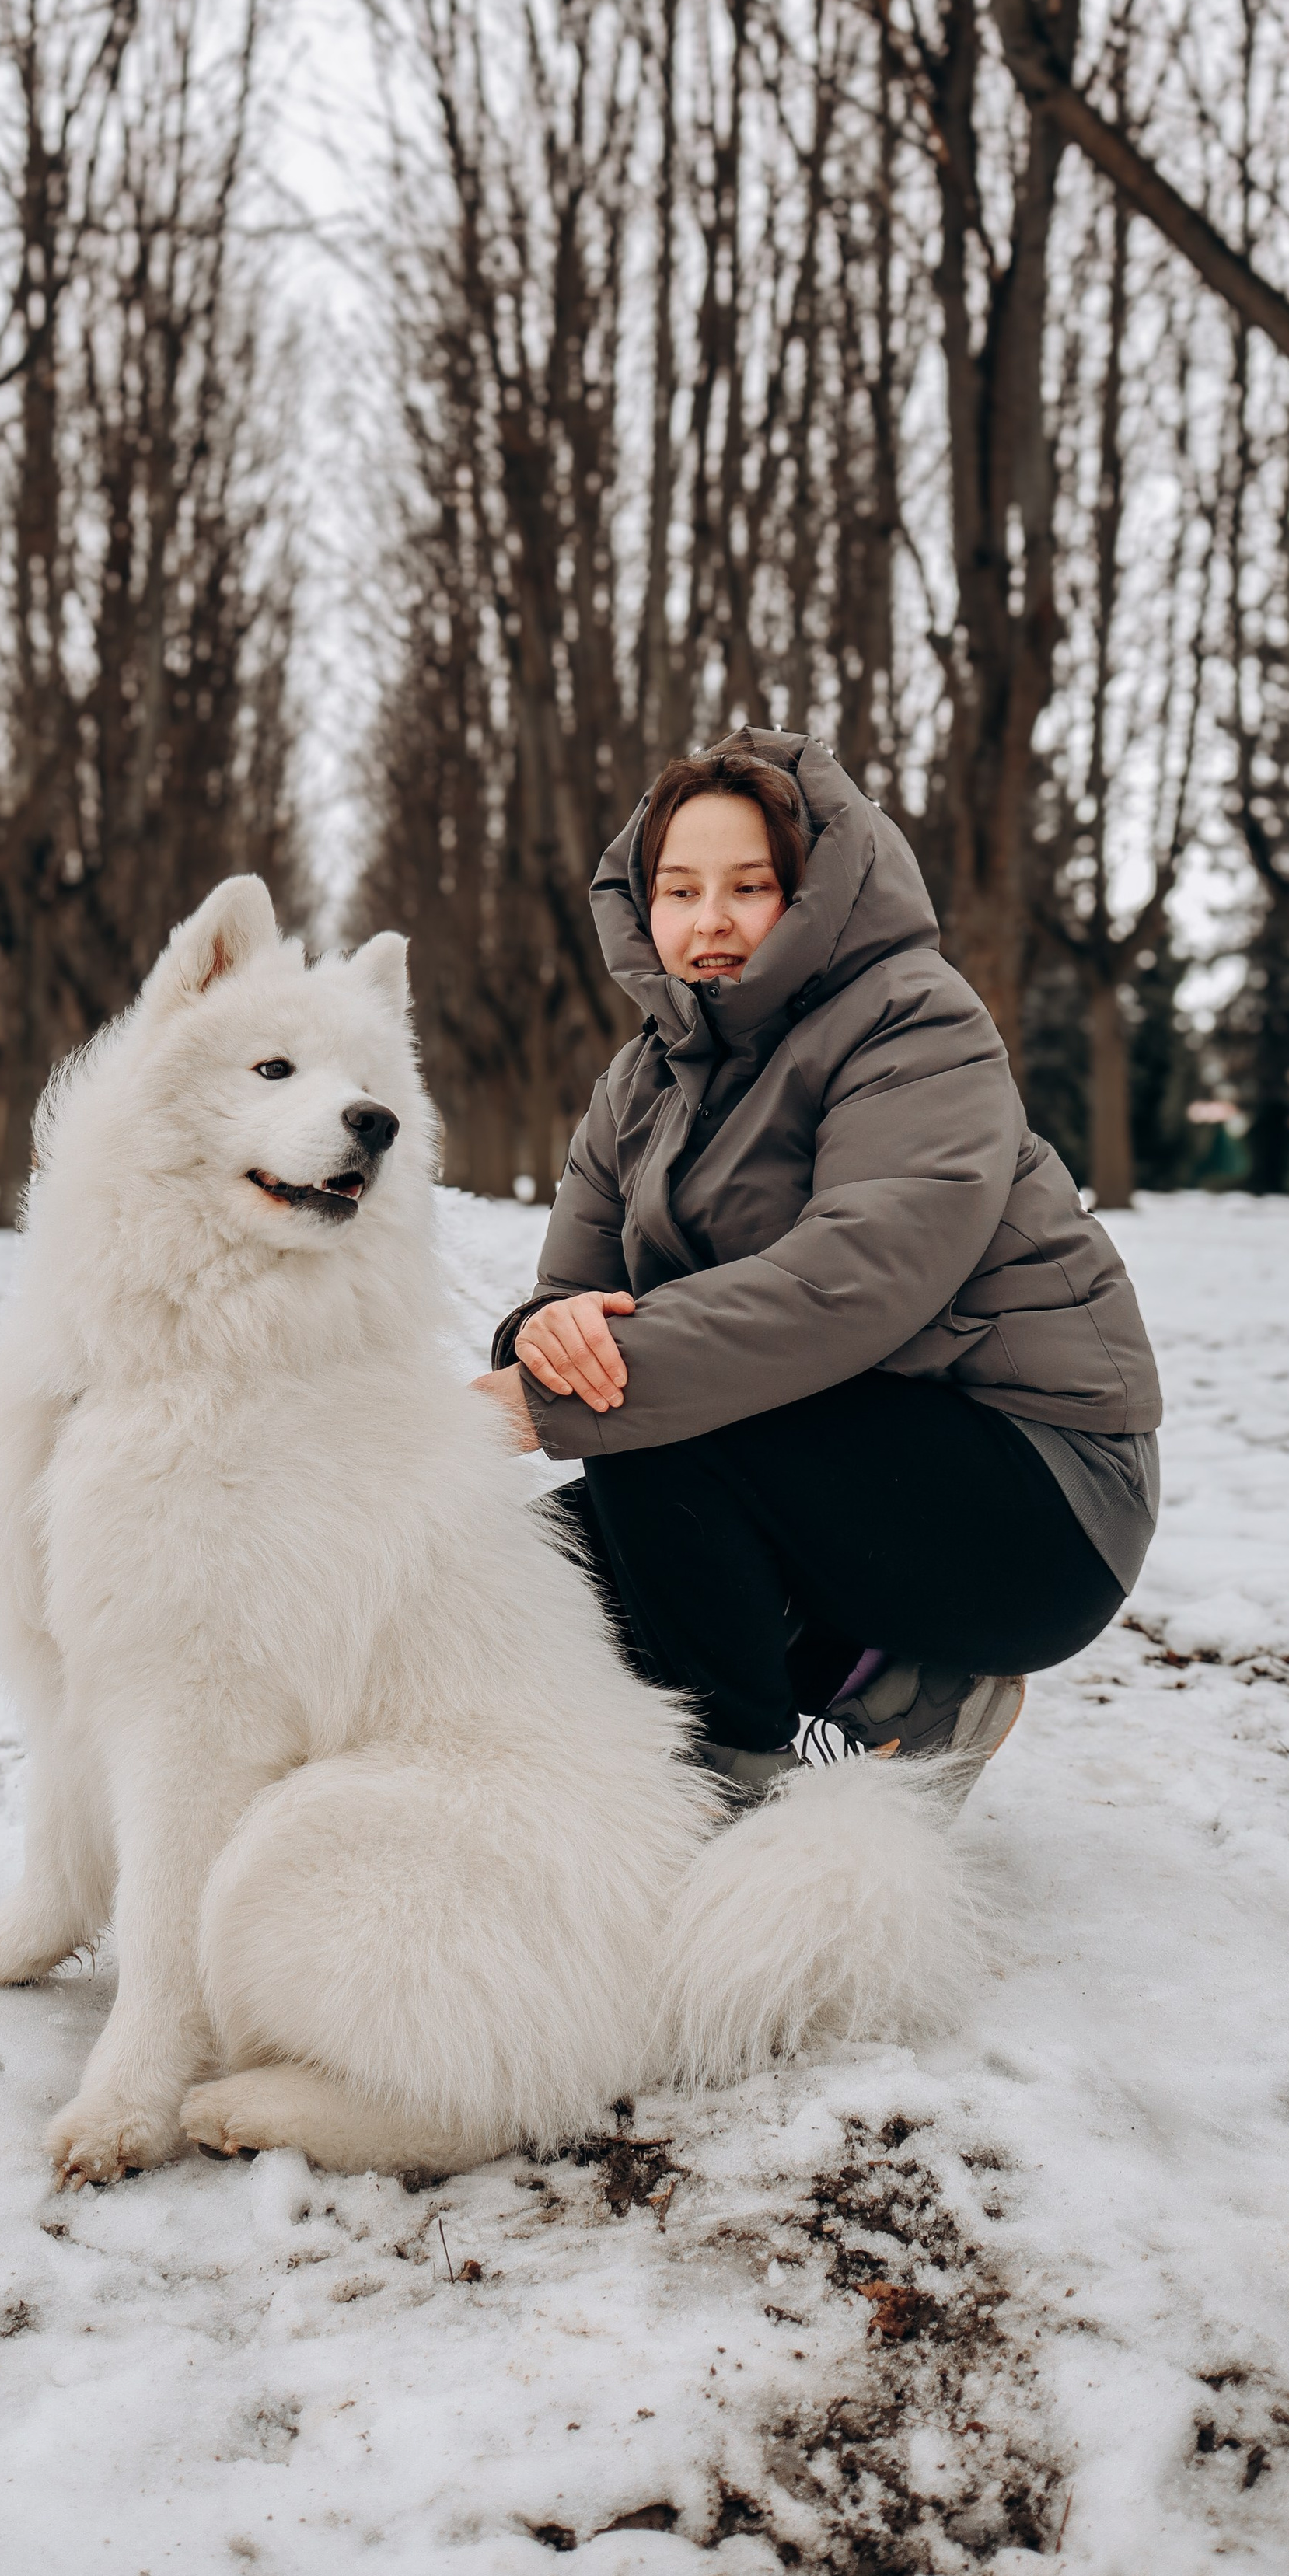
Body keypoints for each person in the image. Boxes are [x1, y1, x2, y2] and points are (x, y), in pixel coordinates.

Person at [470, 730, 1161, 1804]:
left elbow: (862, 1278)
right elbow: (576, 1288)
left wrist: (542, 1399)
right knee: (518, 1578)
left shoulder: (914, 1021)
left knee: (660, 1414)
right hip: (818, 1462)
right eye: (679, 889)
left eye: (751, 887)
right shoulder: (636, 1083)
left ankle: (737, 1793)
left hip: (1037, 1502)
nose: (710, 922)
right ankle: (900, 1693)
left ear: (815, 894)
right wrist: (540, 1335)